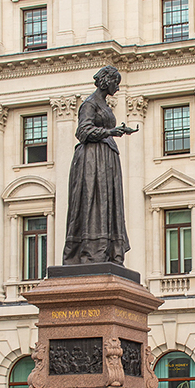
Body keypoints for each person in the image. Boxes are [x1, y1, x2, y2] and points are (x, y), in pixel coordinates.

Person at [63, 66, 137, 265]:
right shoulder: (90, 103)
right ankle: (91, 250)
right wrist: (110, 132)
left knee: (108, 204)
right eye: (116, 83)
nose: (118, 88)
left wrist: (117, 131)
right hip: (92, 160)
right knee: (93, 202)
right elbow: (83, 132)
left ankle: (109, 251)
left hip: (106, 158)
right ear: (107, 81)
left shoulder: (104, 104)